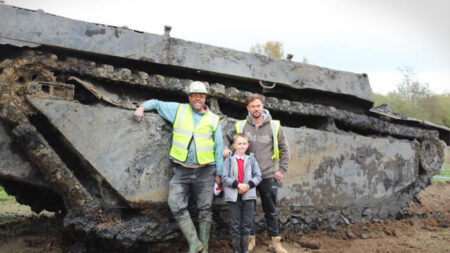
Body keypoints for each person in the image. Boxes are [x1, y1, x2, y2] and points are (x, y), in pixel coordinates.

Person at [133, 81, 223, 253]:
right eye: (195, 95)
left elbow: (218, 147)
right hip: (182, 170)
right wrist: (142, 107)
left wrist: (219, 173)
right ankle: (194, 243)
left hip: (205, 171)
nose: (198, 98)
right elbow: (157, 104)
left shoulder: (213, 119)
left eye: (201, 96)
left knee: (205, 209)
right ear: (189, 97)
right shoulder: (179, 110)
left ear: (205, 99)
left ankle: (204, 249)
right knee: (175, 203)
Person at [223, 93, 290, 253]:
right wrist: (226, 148)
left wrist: (282, 169)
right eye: (252, 106)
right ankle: (250, 240)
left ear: (263, 106)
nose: (256, 109)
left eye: (258, 105)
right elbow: (227, 138)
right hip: (248, 178)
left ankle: (275, 242)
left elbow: (284, 148)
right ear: (248, 108)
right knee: (249, 211)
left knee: (271, 210)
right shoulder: (241, 126)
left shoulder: (274, 126)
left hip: (268, 175)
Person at [222, 133, 262, 253]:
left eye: (244, 143)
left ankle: (245, 249)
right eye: (239, 143)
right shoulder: (229, 160)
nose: (242, 146)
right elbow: (224, 177)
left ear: (248, 145)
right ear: (234, 145)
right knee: (235, 224)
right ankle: (236, 250)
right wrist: (237, 185)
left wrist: (248, 185)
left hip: (248, 196)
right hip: (233, 197)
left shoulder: (252, 159)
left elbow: (258, 176)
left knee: (247, 224)